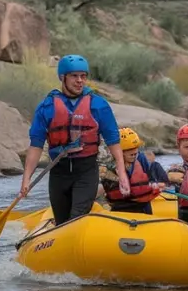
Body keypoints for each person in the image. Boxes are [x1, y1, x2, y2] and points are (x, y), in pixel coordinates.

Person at [19, 54, 130, 226]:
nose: (80, 81)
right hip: (58, 172)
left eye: (83, 76)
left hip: (86, 171)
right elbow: (36, 146)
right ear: (62, 77)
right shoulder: (47, 107)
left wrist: (122, 174)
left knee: (77, 218)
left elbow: (113, 142)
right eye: (74, 76)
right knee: (62, 222)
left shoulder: (98, 105)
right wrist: (26, 178)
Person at [99, 127, 170, 214]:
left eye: (135, 150)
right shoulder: (109, 165)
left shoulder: (141, 159)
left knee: (155, 166)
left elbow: (150, 173)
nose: (133, 154)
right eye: (129, 151)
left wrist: (154, 183)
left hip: (141, 205)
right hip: (119, 206)